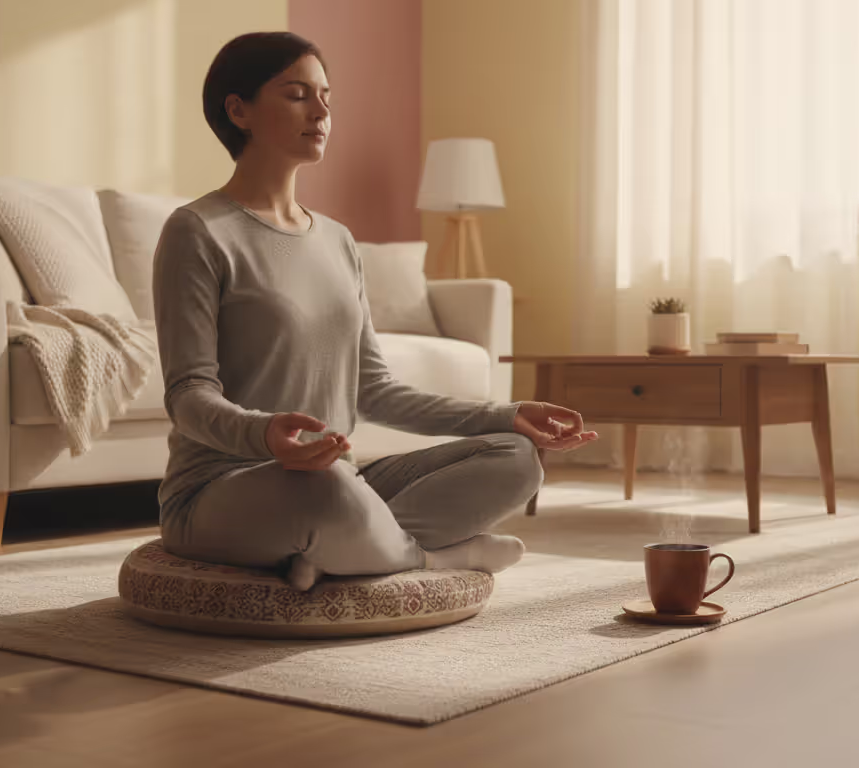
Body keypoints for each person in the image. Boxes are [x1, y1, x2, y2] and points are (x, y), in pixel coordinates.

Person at [152, 32, 599, 592]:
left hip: (335, 479)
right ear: (238, 110)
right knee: (328, 492)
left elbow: (376, 391)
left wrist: (506, 415)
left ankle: (343, 549)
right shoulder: (197, 231)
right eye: (297, 95)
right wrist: (265, 435)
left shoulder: (338, 240)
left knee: (516, 459)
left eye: (326, 97)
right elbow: (188, 396)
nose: (321, 112)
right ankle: (426, 559)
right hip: (221, 489)